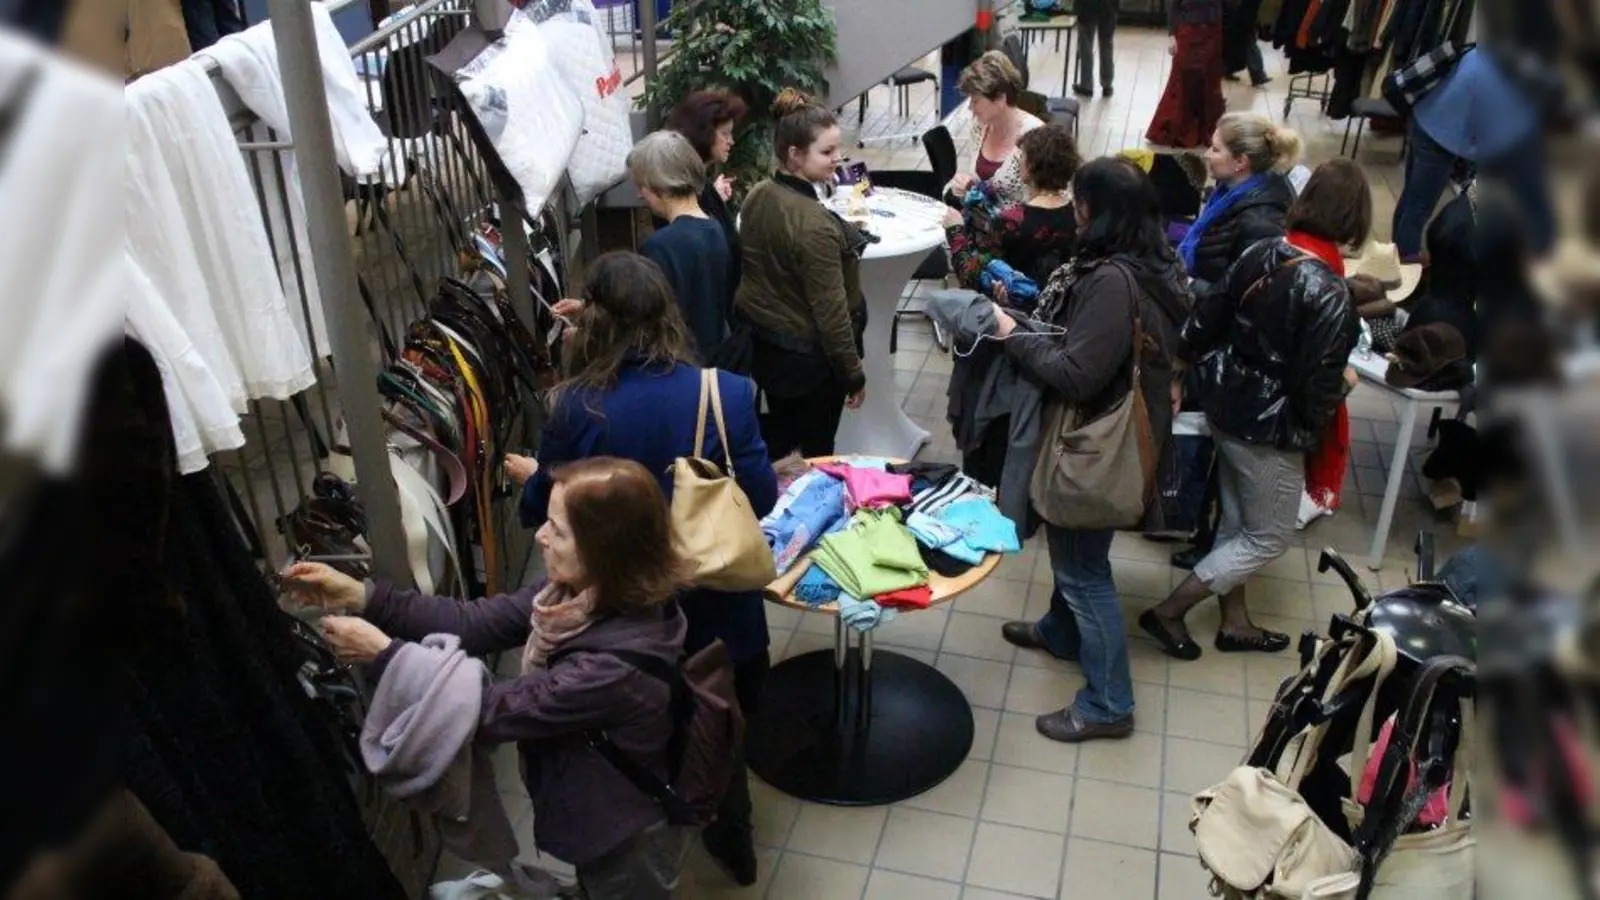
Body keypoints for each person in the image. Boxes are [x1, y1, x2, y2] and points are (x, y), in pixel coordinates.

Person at [283, 457, 694, 899]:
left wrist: (384, 655)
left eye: (558, 530)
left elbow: (491, 711)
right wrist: (362, 595)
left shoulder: (613, 667)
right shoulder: (579, 595)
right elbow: (475, 622)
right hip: (603, 802)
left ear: (603, 550)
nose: (540, 535)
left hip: (624, 832)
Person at [503, 251, 778, 887]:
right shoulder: (725, 393)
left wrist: (536, 476)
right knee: (717, 731)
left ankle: (648, 853)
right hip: (715, 608)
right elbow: (761, 497)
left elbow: (540, 507)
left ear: (593, 320)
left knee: (627, 745)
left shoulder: (576, 407)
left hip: (618, 620)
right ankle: (733, 844)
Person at [993, 157, 1192, 742]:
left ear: (1098, 210)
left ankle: (1109, 704)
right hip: (1126, 425)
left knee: (1083, 570)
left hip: (1094, 437)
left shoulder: (1110, 280)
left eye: (1080, 201)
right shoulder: (1157, 261)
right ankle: (1061, 632)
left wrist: (1013, 335)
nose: (1074, 211)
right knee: (1078, 548)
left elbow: (1078, 374)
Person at [1140, 184, 1361, 661]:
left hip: (1225, 402)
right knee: (1268, 537)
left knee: (1238, 521)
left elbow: (1206, 317)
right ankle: (1170, 610)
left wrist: (1181, 370)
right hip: (1270, 428)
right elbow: (1317, 385)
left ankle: (1234, 623)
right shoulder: (1330, 291)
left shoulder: (1263, 251)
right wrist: (1339, 393)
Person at [1168, 113, 1300, 569]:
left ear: (1241, 161)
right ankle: (1202, 528)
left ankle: (1212, 540)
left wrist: (1192, 291)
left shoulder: (1260, 219)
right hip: (1208, 331)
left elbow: (1244, 295)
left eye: (1216, 148)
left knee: (1217, 449)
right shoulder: (1232, 194)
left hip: (1224, 347)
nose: (1207, 154)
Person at [941, 124, 1082, 487]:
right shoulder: (1079, 219)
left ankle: (983, 486)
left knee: (989, 422)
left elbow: (972, 274)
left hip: (1005, 334)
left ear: (1030, 167)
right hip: (1053, 335)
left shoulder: (1010, 222)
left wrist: (956, 230)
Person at [735, 88, 866, 459]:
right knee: (818, 456)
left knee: (782, 445)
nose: (837, 159)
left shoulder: (758, 194)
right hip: (811, 367)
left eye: (837, 149)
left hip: (768, 352)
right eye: (826, 152)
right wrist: (853, 374)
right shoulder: (815, 226)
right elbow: (832, 315)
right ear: (794, 154)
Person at [1392, 45, 1553, 262]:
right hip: (1438, 139)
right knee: (1419, 208)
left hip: (1423, 119)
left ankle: (1396, 252)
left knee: (1411, 197)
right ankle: (1406, 264)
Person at [1284, 159, 1372, 528]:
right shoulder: (1328, 276)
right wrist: (1342, 384)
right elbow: (1319, 374)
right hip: (1283, 402)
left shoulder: (1281, 245)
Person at [627, 131, 735, 362]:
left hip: (677, 363)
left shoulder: (661, 246)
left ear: (661, 185)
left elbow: (647, 318)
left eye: (642, 186)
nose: (639, 194)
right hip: (713, 361)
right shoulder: (715, 228)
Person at [945, 50, 1045, 207]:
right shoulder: (979, 126)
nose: (970, 107)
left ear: (1000, 98)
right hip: (980, 218)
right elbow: (976, 185)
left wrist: (973, 189)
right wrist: (966, 186)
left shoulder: (1036, 137)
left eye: (976, 101)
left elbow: (1045, 204)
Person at [662, 89, 747, 251]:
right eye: (725, 134)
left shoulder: (698, 182)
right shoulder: (682, 186)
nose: (731, 141)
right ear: (703, 132)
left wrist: (716, 196)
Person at [1146, 0, 1227, 149]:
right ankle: (1181, 128)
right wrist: (1172, 35)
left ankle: (1206, 128)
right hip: (1188, 31)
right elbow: (1173, 5)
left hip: (1212, 30)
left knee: (1209, 81)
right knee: (1183, 79)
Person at [1073, 0, 1119, 98]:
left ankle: (1086, 85)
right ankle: (1107, 85)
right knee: (1106, 45)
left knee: (1086, 46)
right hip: (1108, 6)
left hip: (1087, 7)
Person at [1223, 0, 1271, 87]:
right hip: (1241, 18)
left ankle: (1257, 75)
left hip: (1241, 18)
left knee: (1244, 45)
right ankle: (1257, 75)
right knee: (1248, 45)